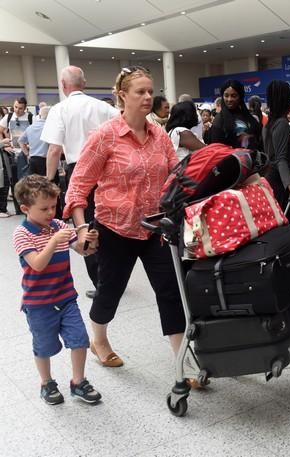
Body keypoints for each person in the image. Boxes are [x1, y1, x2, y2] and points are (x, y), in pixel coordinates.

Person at [63, 65, 186, 369]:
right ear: (122, 96)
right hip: (115, 228)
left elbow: (175, 176)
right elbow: (78, 187)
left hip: (155, 227)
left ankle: (184, 358)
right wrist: (81, 229)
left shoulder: (159, 135)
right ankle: (100, 340)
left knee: (170, 290)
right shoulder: (105, 136)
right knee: (110, 290)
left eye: (150, 91)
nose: (148, 97)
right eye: (140, 92)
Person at [12, 175, 101, 405]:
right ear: (25, 208)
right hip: (39, 304)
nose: (51, 213)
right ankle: (46, 383)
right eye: (44, 209)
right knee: (44, 347)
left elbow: (82, 250)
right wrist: (53, 241)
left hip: (66, 298)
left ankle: (78, 382)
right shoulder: (22, 234)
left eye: (54, 206)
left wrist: (88, 241)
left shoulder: (59, 226)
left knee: (80, 340)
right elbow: (37, 264)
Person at [41, 65, 119, 297]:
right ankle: (116, 277)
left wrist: (48, 180)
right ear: (83, 84)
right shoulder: (103, 107)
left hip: (79, 171)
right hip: (108, 171)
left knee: (85, 225)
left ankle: (101, 284)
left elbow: (55, 149)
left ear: (64, 86)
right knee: (109, 224)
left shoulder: (60, 109)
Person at [262, 80, 290, 219]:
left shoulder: (268, 125)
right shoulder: (281, 124)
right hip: (284, 186)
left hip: (275, 182)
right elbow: (281, 158)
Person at [208, 80, 262, 151]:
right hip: (229, 160)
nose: (229, 99)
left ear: (240, 96)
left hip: (252, 159)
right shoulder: (219, 120)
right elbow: (216, 149)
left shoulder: (249, 118)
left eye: (233, 96)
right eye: (226, 95)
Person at [19, 105, 52, 177]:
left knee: (34, 185)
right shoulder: (50, 127)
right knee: (48, 185)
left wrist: (27, 154)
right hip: (46, 160)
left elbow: (21, 141)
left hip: (33, 160)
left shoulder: (30, 127)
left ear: (39, 115)